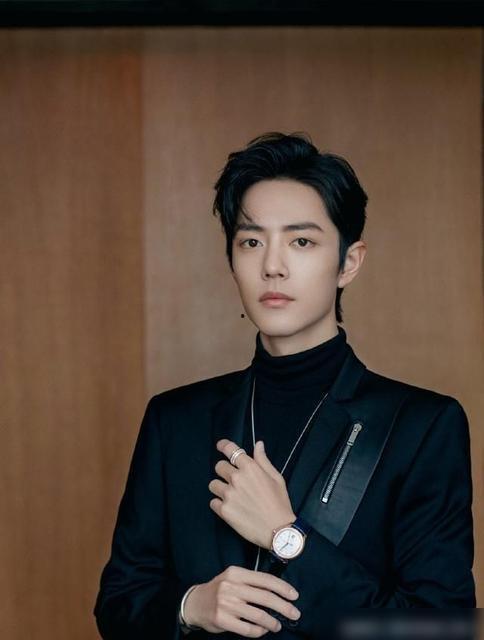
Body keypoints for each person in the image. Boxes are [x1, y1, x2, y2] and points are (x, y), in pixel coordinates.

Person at [93, 133, 476, 640]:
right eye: (251, 242)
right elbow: (119, 602)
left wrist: (286, 537)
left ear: (349, 262)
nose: (272, 266)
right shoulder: (175, 419)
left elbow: (437, 628)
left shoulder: (420, 425)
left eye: (301, 242)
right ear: (232, 260)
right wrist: (190, 606)